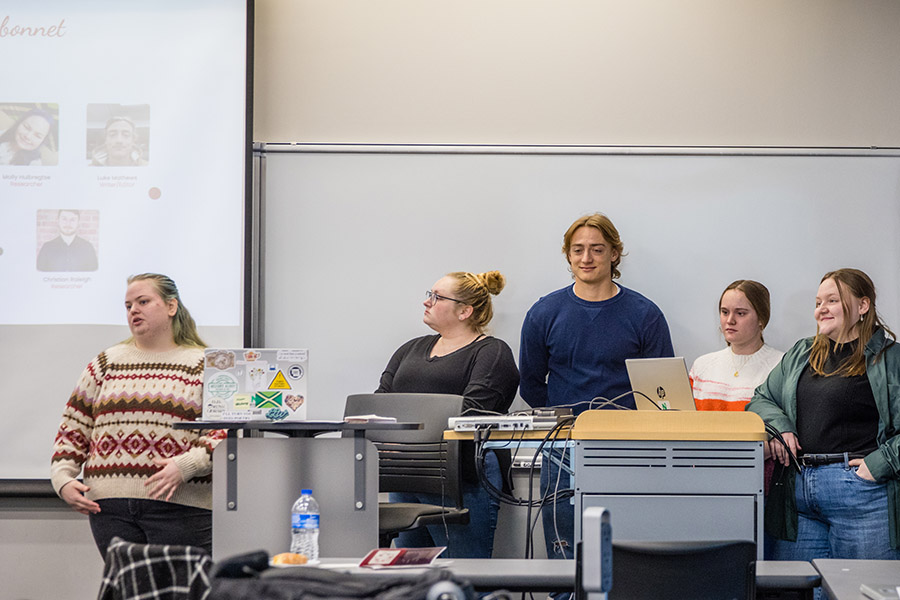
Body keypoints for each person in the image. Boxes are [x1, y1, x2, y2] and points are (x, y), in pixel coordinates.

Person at [519, 213, 674, 561]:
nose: (586, 258)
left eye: (597, 249)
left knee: (626, 548)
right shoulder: (544, 313)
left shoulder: (645, 314)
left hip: (629, 446)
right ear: (568, 255)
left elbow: (663, 390)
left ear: (614, 254)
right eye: (578, 250)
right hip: (562, 445)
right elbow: (530, 384)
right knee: (564, 552)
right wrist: (567, 417)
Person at [51, 273, 224, 556]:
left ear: (171, 306)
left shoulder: (206, 364)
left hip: (182, 506)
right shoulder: (105, 363)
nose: (134, 310)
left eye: (143, 301)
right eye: (128, 305)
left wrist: (187, 465)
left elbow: (226, 431)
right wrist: (63, 478)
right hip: (110, 507)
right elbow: (74, 427)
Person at [746, 268, 900, 565]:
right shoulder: (803, 353)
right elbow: (761, 399)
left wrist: (878, 465)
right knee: (795, 592)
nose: (821, 309)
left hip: (863, 496)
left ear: (863, 306)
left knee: (862, 592)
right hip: (799, 496)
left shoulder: (891, 358)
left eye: (832, 300)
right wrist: (782, 427)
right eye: (818, 303)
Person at [376, 270, 520, 558]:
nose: (427, 302)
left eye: (437, 297)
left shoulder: (491, 353)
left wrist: (405, 435)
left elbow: (470, 412)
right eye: (429, 295)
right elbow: (380, 402)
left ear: (465, 311)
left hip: (460, 476)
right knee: (413, 576)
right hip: (405, 476)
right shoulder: (411, 349)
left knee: (464, 574)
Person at [689, 280, 784, 411]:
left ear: (761, 319)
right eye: (725, 312)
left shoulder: (782, 367)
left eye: (740, 313)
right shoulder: (701, 366)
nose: (730, 321)